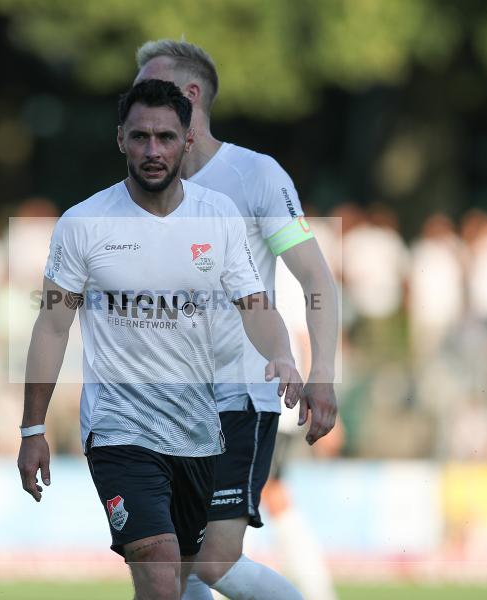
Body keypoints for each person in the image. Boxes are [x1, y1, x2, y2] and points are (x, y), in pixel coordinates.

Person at [17, 79, 304, 600]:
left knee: (187, 574)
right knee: (156, 561)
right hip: (119, 430)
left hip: (199, 431)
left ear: (187, 142)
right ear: (121, 139)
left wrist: (281, 353)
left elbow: (255, 305)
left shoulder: (217, 216)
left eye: (166, 137)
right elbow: (53, 326)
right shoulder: (83, 224)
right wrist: (32, 427)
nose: (153, 150)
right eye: (142, 137)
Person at [135, 40, 340, 600]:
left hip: (240, 397)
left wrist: (322, 372)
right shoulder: (148, 183)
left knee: (213, 562)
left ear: (190, 95)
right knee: (168, 564)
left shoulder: (254, 175)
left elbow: (317, 278)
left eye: (148, 84)